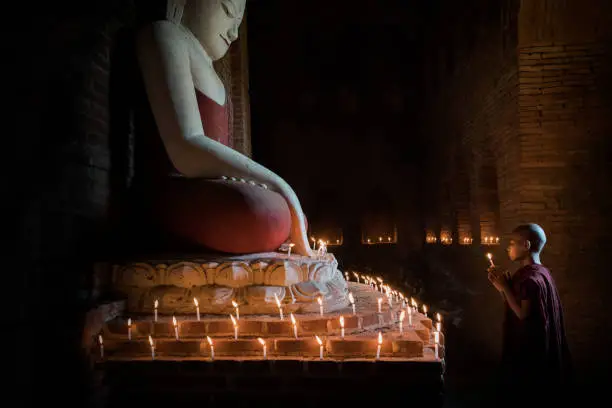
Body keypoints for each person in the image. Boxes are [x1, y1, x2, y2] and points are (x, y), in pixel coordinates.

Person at [487, 223, 572, 404]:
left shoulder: (531, 279)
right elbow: (514, 303)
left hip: (530, 347)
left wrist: (505, 288)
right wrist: (503, 288)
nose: (508, 247)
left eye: (512, 243)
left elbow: (522, 314)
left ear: (526, 245)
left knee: (527, 392)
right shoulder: (542, 272)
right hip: (537, 341)